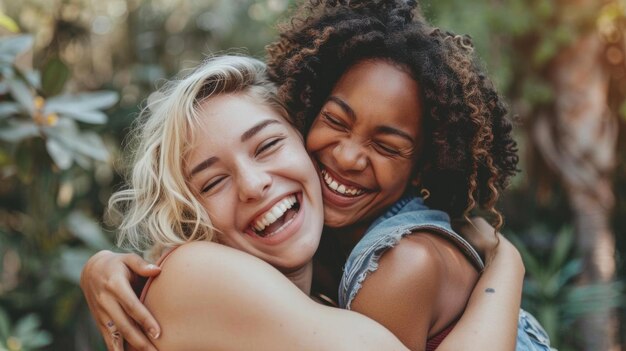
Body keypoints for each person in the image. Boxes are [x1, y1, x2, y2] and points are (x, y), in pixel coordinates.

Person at [81, 0, 552, 349]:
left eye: (267, 145)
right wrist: (508, 262)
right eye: (212, 181)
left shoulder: (342, 275)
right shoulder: (195, 272)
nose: (254, 183)